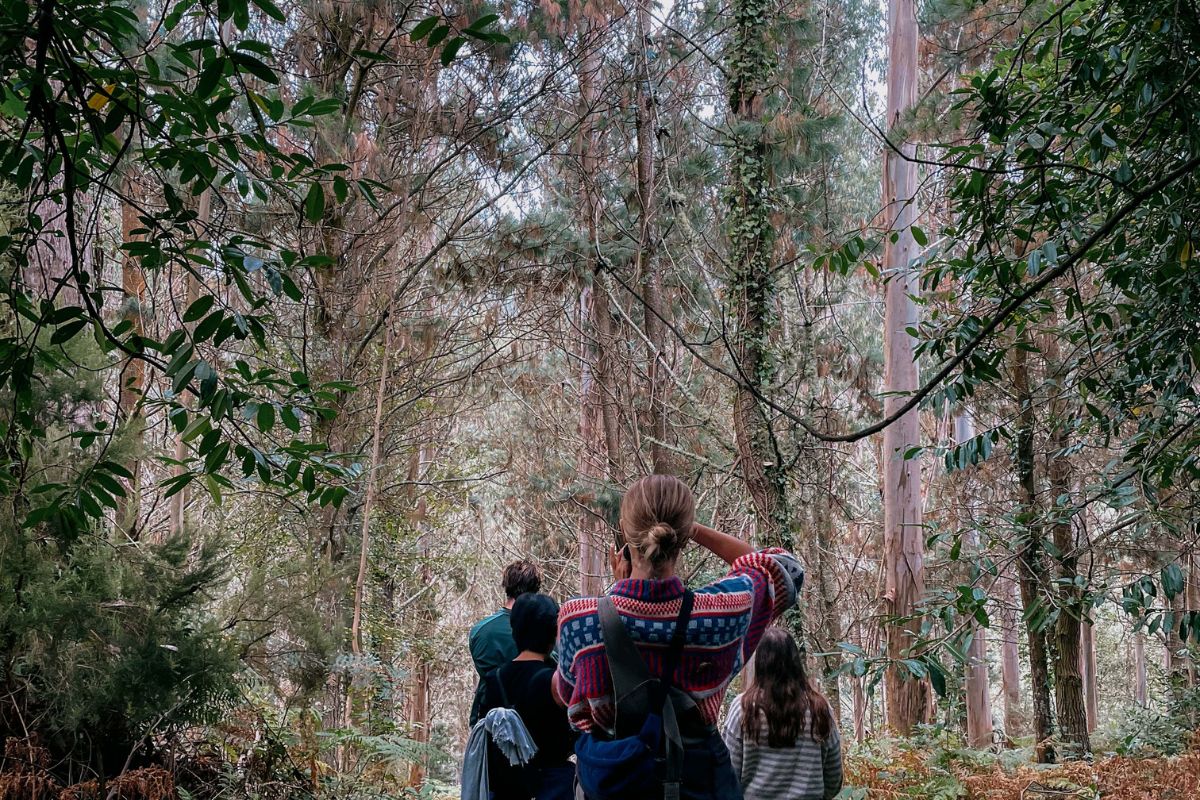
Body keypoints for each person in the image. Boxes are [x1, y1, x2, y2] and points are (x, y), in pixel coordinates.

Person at [554, 474, 804, 800]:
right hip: (697, 784)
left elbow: (567, 697)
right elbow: (783, 568)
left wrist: (615, 594)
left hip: (615, 782)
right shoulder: (722, 611)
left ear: (626, 533)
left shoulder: (579, 620)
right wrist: (690, 529)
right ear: (682, 536)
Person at [721, 627, 843, 800]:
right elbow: (833, 779)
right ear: (796, 663)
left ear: (760, 663)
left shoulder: (743, 708)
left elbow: (728, 776)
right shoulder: (820, 709)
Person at [478, 593, 576, 800]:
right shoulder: (556, 683)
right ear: (553, 633)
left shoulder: (493, 680)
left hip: (507, 790)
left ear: (515, 630)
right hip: (553, 788)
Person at [470, 560, 542, 725]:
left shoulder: (480, 631)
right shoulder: (545, 629)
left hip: (489, 719)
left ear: (506, 586)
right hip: (535, 720)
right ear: (535, 590)